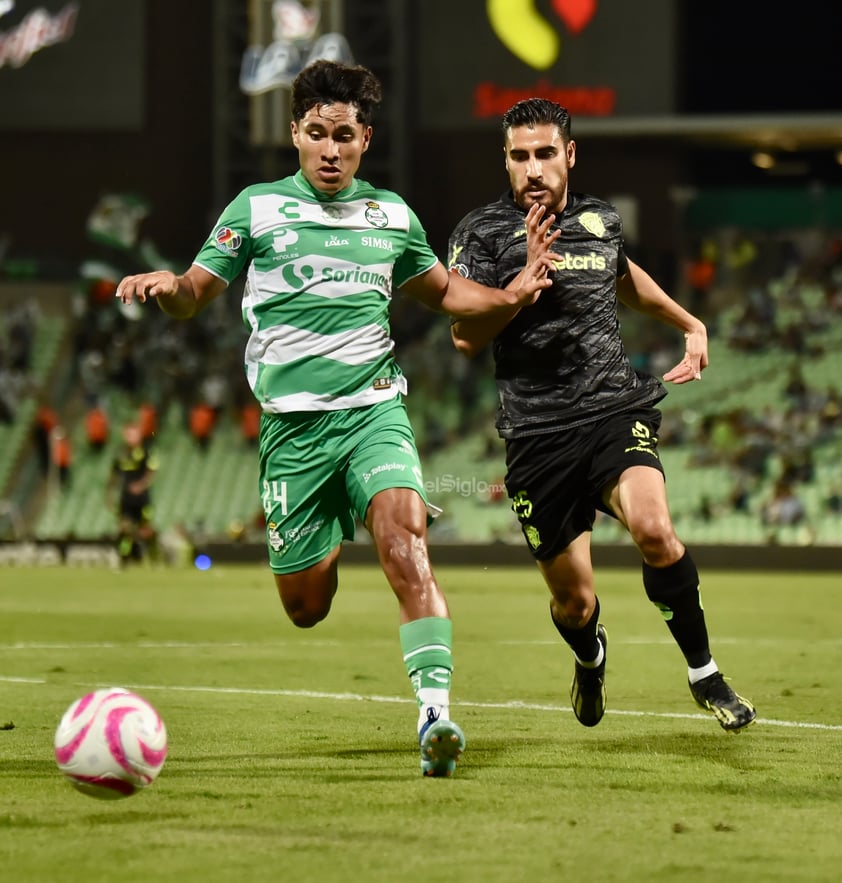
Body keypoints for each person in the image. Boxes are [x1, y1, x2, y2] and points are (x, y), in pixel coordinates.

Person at [114, 60, 558, 777]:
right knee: (305, 605)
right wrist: (168, 288)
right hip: (292, 432)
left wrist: (514, 290)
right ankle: (329, 535)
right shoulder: (255, 209)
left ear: (364, 140)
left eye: (343, 135)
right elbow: (194, 293)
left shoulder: (392, 217)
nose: (329, 148)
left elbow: (448, 294)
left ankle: (436, 716)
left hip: (373, 411)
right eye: (316, 133)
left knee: (406, 539)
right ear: (295, 134)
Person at [448, 98, 756, 733]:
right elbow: (463, 335)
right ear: (505, 160)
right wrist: (519, 288)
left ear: (569, 155)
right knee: (574, 601)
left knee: (654, 529)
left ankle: (706, 674)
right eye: (519, 156)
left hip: (613, 409)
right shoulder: (478, 234)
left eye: (545, 154)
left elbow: (625, 277)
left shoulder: (600, 219)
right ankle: (590, 657)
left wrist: (690, 323)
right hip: (535, 435)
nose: (533, 168)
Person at [106, 422, 159, 566]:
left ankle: (154, 557)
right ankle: (123, 558)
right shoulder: (120, 454)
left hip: (142, 499)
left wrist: (141, 485)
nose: (131, 437)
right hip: (126, 499)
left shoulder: (145, 452)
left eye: (133, 433)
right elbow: (113, 476)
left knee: (147, 529)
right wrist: (109, 495)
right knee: (124, 529)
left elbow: (152, 471)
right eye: (128, 434)